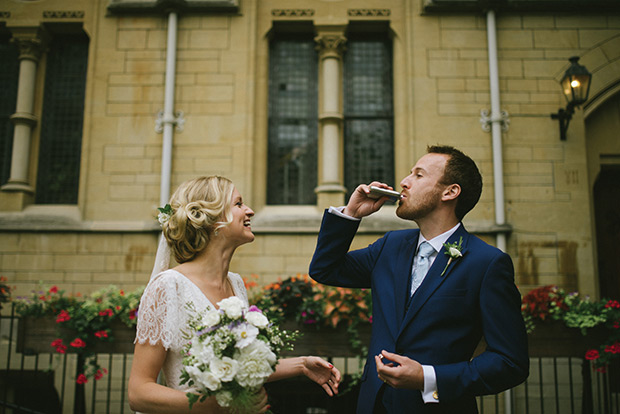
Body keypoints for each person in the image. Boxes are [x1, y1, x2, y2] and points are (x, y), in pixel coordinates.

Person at [309, 145, 529, 413]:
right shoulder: (390, 246)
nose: (404, 181)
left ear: (450, 192)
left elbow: (510, 362)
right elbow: (325, 269)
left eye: (418, 175)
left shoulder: (487, 263)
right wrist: (351, 214)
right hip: (373, 405)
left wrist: (428, 378)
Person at [129, 176, 341, 414]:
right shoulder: (168, 287)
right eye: (239, 204)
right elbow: (139, 392)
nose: (249, 211)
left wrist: (302, 364)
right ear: (211, 220)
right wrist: (213, 407)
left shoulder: (236, 284)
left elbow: (237, 366)